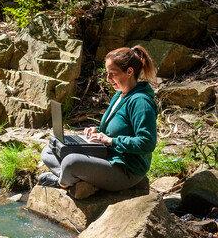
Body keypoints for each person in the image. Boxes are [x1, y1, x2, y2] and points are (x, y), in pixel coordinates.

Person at [38, 45, 158, 198]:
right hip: (106, 155)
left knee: (71, 162)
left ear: (129, 72)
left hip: (125, 170)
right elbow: (117, 127)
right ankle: (75, 178)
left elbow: (147, 142)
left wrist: (109, 140)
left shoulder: (141, 102)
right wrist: (97, 130)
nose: (108, 79)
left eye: (112, 74)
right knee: (50, 149)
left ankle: (62, 183)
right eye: (107, 74)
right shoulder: (120, 95)